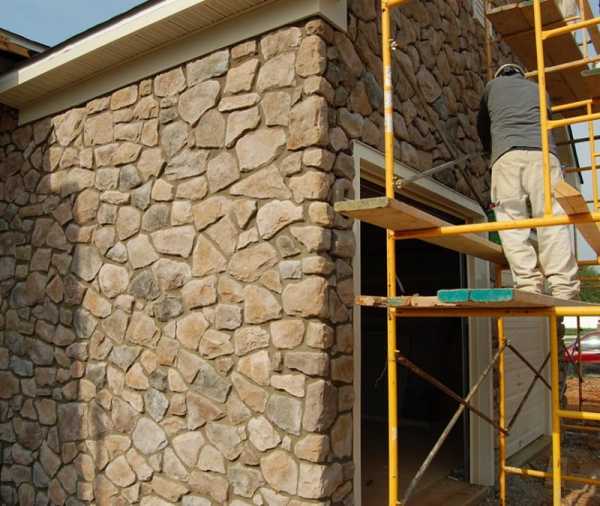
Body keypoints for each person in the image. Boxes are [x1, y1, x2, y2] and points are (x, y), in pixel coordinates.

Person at [477, 63, 580, 300]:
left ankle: (528, 283)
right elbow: (546, 120)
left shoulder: (492, 87)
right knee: (552, 220)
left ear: (500, 75)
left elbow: (483, 124)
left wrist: (489, 149)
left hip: (507, 157)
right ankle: (564, 287)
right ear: (522, 76)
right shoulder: (539, 89)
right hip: (544, 156)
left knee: (512, 222)